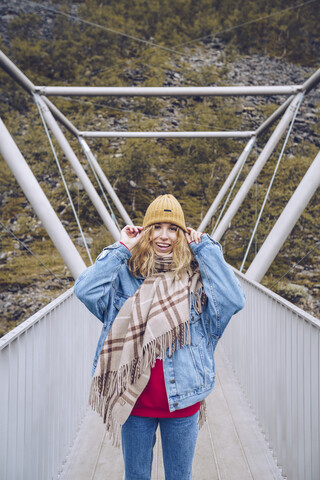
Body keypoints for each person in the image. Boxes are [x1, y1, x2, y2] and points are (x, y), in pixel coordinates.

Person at [74, 194, 245, 480]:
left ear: (182, 234)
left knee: (179, 476)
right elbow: (85, 291)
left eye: (173, 228)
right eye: (156, 227)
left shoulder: (195, 276)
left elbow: (234, 300)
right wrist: (120, 248)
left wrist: (205, 249)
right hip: (133, 398)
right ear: (146, 232)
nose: (164, 236)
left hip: (183, 399)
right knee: (136, 476)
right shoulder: (125, 273)